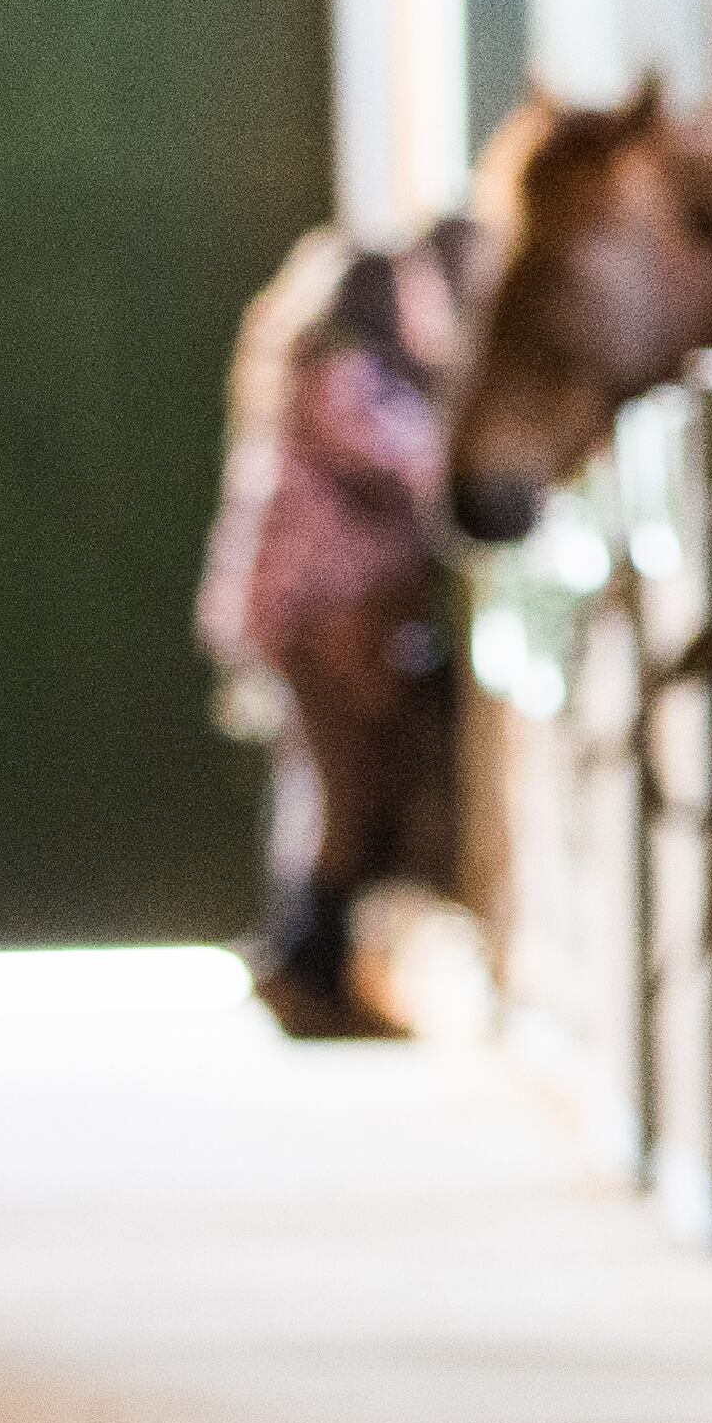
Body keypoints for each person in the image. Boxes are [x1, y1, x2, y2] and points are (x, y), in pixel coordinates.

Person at [201, 220, 483, 1038]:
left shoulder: (304, 370)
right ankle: (311, 976)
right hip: (325, 616)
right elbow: (418, 467)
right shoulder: (341, 376)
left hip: (303, 613)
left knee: (321, 794)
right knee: (343, 799)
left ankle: (303, 963)